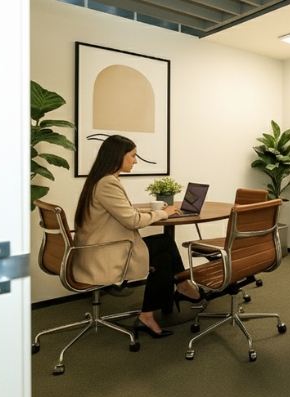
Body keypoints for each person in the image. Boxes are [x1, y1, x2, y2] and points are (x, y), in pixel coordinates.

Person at [73, 134, 202, 339]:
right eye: (133, 156)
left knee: (164, 247)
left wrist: (155, 211)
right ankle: (179, 288)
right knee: (164, 250)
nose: (135, 161)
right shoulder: (108, 183)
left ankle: (156, 308)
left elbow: (124, 211)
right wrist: (164, 214)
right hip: (104, 253)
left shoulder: (102, 179)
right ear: (119, 156)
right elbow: (132, 221)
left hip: (100, 247)